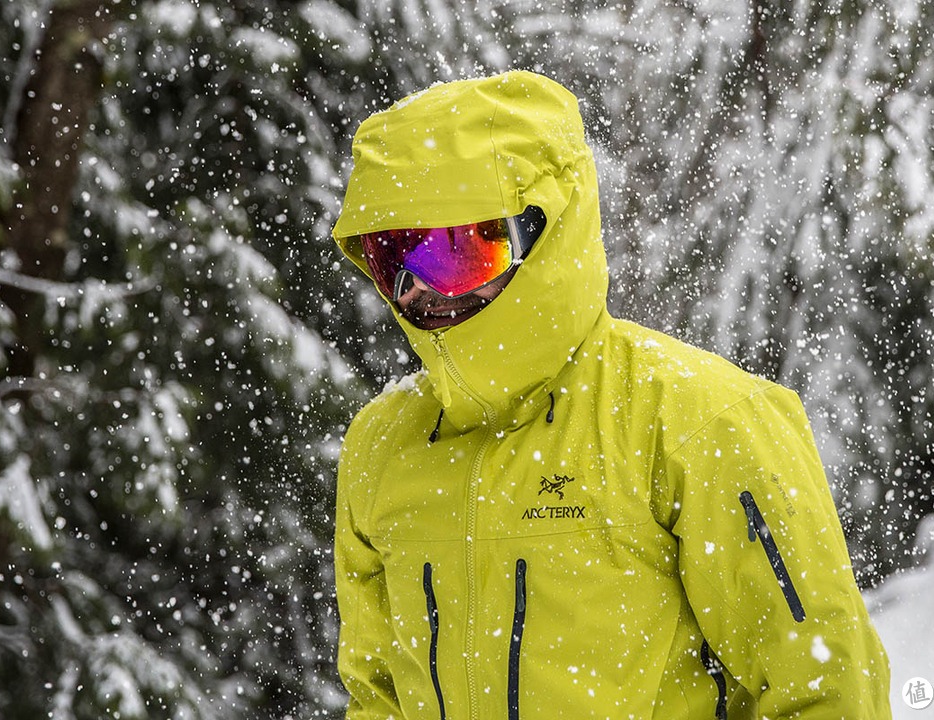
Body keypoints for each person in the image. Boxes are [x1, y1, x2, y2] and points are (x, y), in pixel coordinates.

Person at [330, 70, 893, 720]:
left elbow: (822, 688)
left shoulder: (700, 418)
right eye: (388, 255)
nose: (414, 289)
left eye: (450, 253)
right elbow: (377, 697)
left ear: (544, 231)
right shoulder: (382, 444)